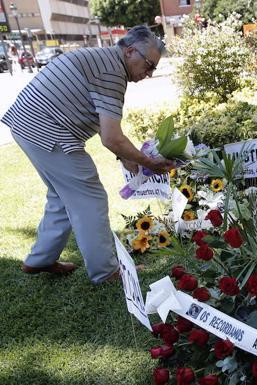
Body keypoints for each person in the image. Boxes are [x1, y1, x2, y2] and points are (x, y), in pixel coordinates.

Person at [1, 25, 174, 283]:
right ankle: (106, 272)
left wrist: (127, 156)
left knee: (62, 195)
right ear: (129, 52)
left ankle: (40, 260)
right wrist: (147, 161)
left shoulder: (108, 62)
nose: (149, 74)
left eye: (153, 69)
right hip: (45, 128)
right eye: (148, 65)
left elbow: (109, 128)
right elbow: (111, 138)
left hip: (27, 124)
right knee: (89, 198)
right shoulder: (112, 72)